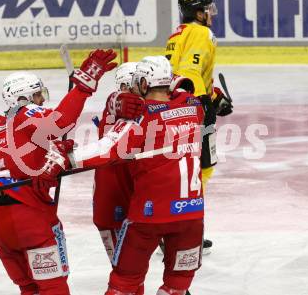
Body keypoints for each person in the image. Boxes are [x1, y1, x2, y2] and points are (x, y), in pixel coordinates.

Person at [42, 56, 205, 295]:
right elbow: (183, 93)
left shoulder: (141, 115)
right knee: (177, 284)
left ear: (142, 83)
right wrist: (115, 101)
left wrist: (65, 160)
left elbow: (108, 147)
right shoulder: (193, 107)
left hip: (148, 216)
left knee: (124, 282)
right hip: (192, 215)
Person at [0, 49, 119, 295]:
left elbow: (19, 157)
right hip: (26, 217)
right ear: (22, 98)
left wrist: (51, 150)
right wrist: (83, 86)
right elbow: (61, 121)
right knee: (52, 288)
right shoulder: (25, 113)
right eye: (37, 95)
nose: (41, 100)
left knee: (29, 289)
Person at [165, 0, 233, 252]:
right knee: (201, 170)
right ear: (197, 12)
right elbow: (191, 71)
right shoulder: (202, 33)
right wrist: (203, 102)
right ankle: (187, 231)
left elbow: (180, 73)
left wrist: (213, 95)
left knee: (183, 169)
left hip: (176, 107)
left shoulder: (178, 33)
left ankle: (172, 229)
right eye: (207, 9)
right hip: (193, 109)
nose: (210, 14)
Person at [92, 62, 142, 263]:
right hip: (112, 197)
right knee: (123, 266)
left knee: (132, 266)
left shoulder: (137, 106)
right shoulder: (120, 106)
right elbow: (116, 102)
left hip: (131, 190)